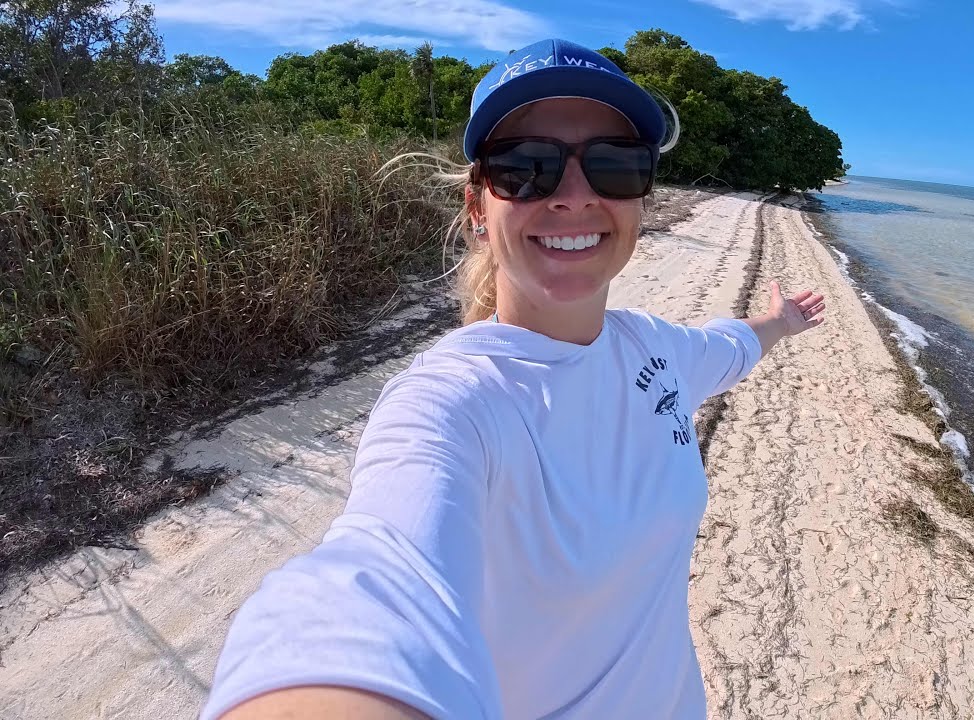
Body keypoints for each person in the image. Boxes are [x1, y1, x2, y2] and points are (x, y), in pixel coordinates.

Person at [201, 38, 825, 720]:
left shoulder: (654, 348)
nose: (574, 198)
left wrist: (781, 321)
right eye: (528, 167)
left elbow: (728, 348)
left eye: (614, 165)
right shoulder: (455, 402)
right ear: (478, 207)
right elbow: (377, 576)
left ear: (642, 198)